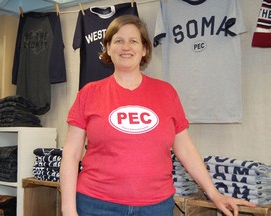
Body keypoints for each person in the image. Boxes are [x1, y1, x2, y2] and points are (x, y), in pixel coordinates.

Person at [60, 15, 255, 216]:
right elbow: (71, 154)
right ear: (108, 48)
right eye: (118, 41)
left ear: (144, 49)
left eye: (133, 41)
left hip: (156, 207)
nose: (126, 47)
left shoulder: (166, 93)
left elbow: (186, 150)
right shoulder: (89, 93)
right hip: (96, 205)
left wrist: (214, 193)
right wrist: (68, 209)